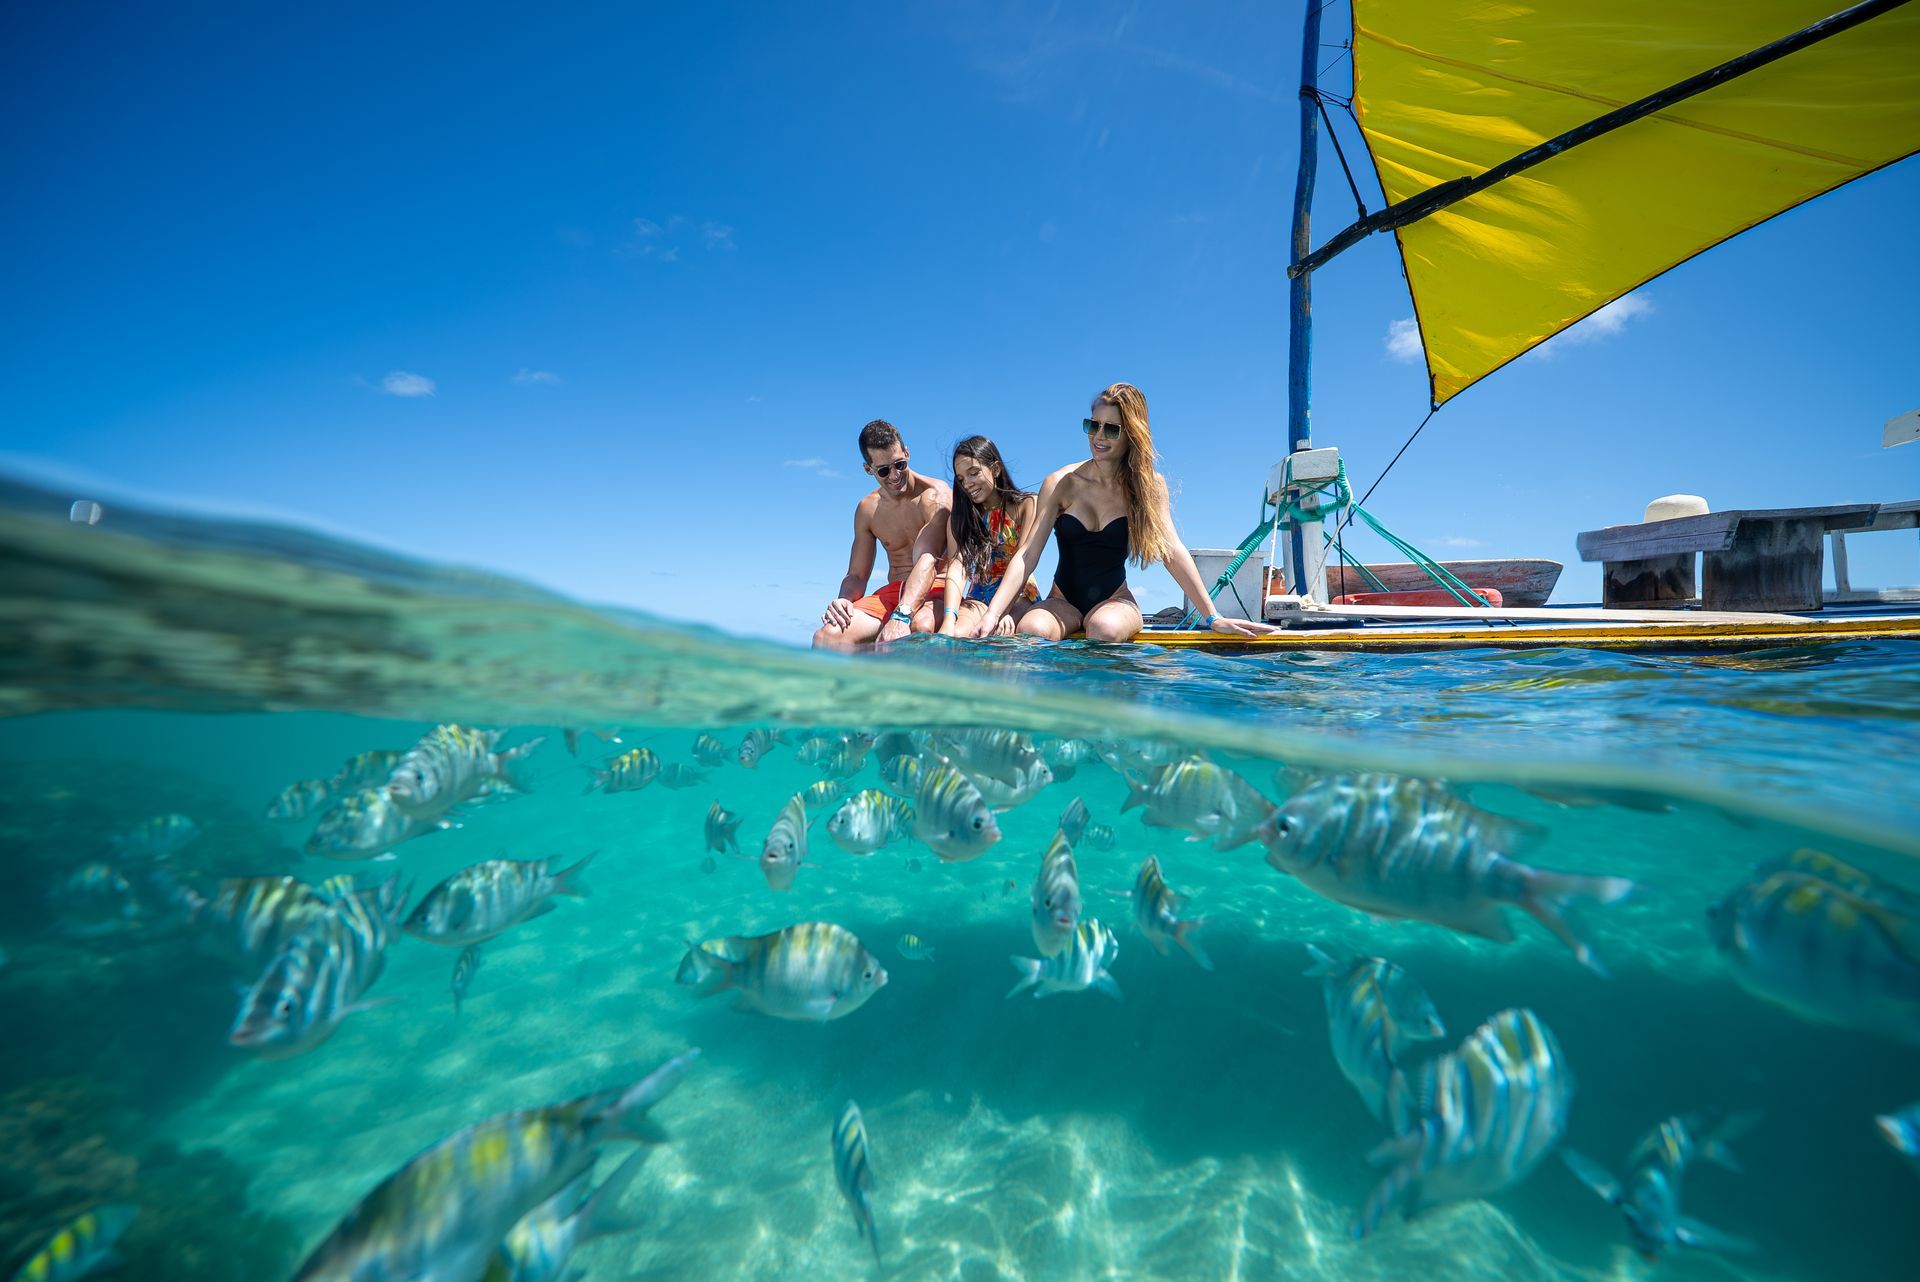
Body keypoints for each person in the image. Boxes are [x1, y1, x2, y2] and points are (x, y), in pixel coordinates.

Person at [971, 382, 1277, 642]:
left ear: (1131, 433)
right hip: (1061, 601)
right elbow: (1027, 555)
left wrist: (1213, 617)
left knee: (1103, 628)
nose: (1098, 436)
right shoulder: (1061, 482)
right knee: (1031, 629)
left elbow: (1172, 551)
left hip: (1114, 601)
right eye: (1092, 425)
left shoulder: (1148, 487)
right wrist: (993, 614)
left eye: (1111, 429)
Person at [812, 419, 950, 649]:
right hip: (892, 593)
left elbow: (929, 560)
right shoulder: (868, 509)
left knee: (920, 627)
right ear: (869, 469)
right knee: (826, 637)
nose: (895, 476)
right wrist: (844, 600)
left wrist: (901, 616)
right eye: (884, 471)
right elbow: (857, 575)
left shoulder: (936, 496)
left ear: (906, 453)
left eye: (900, 464)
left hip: (936, 591)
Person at [935, 435, 1039, 639]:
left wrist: (1002, 612)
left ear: (996, 469)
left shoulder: (1027, 505)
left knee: (1001, 637)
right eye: (962, 479)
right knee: (954, 635)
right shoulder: (959, 519)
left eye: (973, 473)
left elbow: (1023, 561)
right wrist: (949, 619)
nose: (967, 484)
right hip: (979, 598)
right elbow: (957, 568)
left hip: (1019, 597)